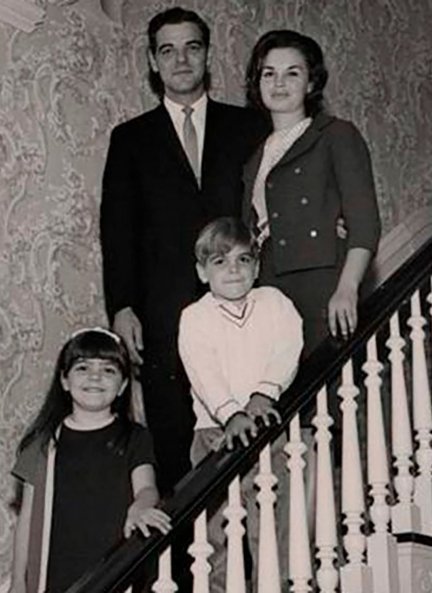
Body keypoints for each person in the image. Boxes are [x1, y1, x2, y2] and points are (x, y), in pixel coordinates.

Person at [100, 6, 268, 495]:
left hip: (243, 303)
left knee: (253, 434)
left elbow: (274, 203)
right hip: (164, 311)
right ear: (153, 61)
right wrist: (123, 305)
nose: (181, 60)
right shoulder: (130, 138)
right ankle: (185, 566)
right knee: (175, 440)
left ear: (207, 55)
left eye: (192, 47)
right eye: (167, 50)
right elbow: (119, 229)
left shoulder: (248, 127)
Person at [178, 217, 304, 592]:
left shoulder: (275, 303)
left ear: (257, 267)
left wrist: (263, 394)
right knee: (217, 531)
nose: (233, 269)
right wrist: (231, 412)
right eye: (220, 261)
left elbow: (288, 348)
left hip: (268, 427)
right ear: (202, 272)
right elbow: (202, 370)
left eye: (243, 260)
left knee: (275, 521)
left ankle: (275, 586)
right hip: (214, 434)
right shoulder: (195, 317)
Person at [242, 30, 381, 356]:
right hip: (271, 288)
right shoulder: (255, 157)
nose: (279, 83)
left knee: (331, 393)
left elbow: (365, 223)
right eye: (269, 73)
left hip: (322, 284)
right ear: (257, 83)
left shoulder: (335, 135)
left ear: (311, 83)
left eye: (293, 73)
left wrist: (347, 288)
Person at [8, 328, 171, 593]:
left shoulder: (134, 437)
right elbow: (27, 519)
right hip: (57, 575)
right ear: (64, 380)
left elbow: (146, 487)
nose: (95, 376)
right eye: (83, 367)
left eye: (109, 370)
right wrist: (17, 582)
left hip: (115, 569)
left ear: (123, 386)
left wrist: (141, 506)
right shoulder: (43, 443)